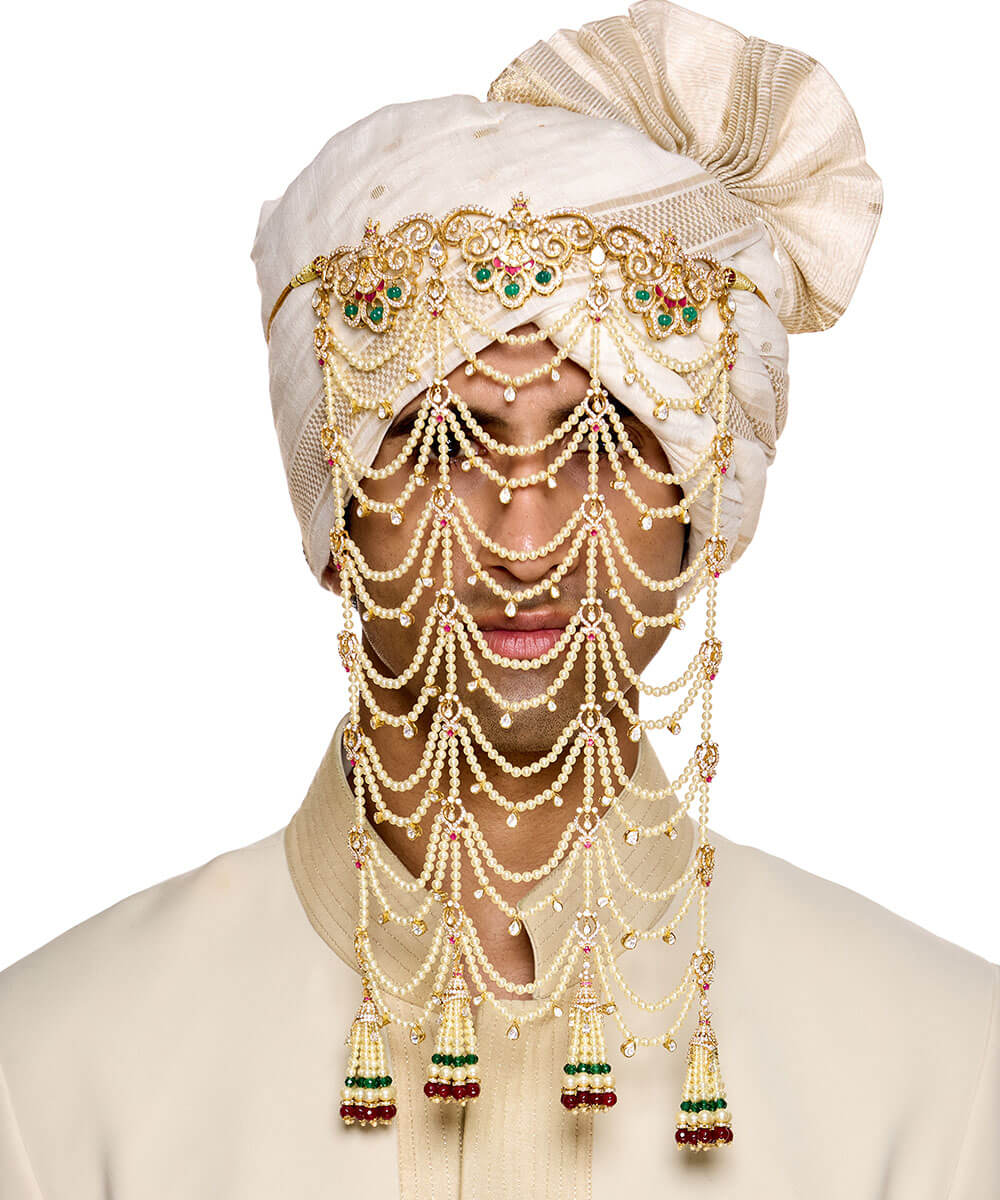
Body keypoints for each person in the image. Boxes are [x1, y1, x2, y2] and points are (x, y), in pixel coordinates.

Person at [1, 2, 997, 1196]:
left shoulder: (942, 1075)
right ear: (335, 511)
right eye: (443, 443)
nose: (526, 541)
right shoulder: (50, 1078)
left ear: (700, 511)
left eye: (601, 440)